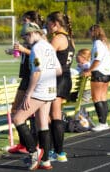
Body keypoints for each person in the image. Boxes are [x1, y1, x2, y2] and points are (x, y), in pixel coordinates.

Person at [13, 22, 62, 170]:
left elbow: (36, 71)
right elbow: (58, 70)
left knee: (18, 119)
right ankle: (45, 160)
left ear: (33, 33)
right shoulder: (48, 46)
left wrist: (28, 94)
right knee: (42, 124)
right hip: (50, 90)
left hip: (39, 90)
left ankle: (34, 151)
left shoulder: (36, 48)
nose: (25, 39)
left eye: (26, 35)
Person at [6, 10, 45, 154]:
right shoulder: (29, 37)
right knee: (22, 112)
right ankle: (26, 143)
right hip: (26, 76)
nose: (22, 23)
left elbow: (38, 55)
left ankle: (30, 145)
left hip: (32, 77)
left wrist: (23, 50)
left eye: (24, 20)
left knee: (18, 111)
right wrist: (15, 51)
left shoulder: (39, 37)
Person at [46, 11, 75, 162]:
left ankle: (58, 152)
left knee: (54, 115)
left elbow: (44, 56)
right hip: (66, 77)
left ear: (55, 24)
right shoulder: (70, 37)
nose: (47, 26)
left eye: (48, 23)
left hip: (58, 78)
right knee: (53, 115)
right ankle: (55, 151)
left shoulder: (58, 38)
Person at [83, 24, 110, 131]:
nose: (89, 34)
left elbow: (97, 59)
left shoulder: (97, 43)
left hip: (98, 73)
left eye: (90, 32)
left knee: (96, 98)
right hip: (107, 73)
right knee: (103, 98)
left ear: (94, 32)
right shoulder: (106, 43)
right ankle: (104, 122)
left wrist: (89, 70)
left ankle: (102, 123)